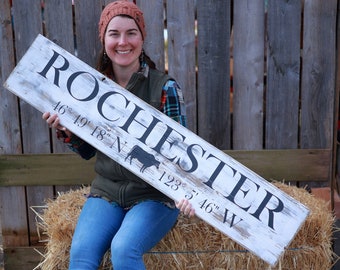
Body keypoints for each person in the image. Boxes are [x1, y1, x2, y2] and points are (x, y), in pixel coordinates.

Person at [42, 1, 195, 269]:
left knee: (124, 250)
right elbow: (89, 150)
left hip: (153, 196)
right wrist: (67, 130)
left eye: (131, 33)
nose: (122, 42)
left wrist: (186, 192)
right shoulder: (92, 87)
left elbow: (180, 152)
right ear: (104, 39)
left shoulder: (164, 87)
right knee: (80, 253)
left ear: (142, 38)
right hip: (107, 192)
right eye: (114, 34)